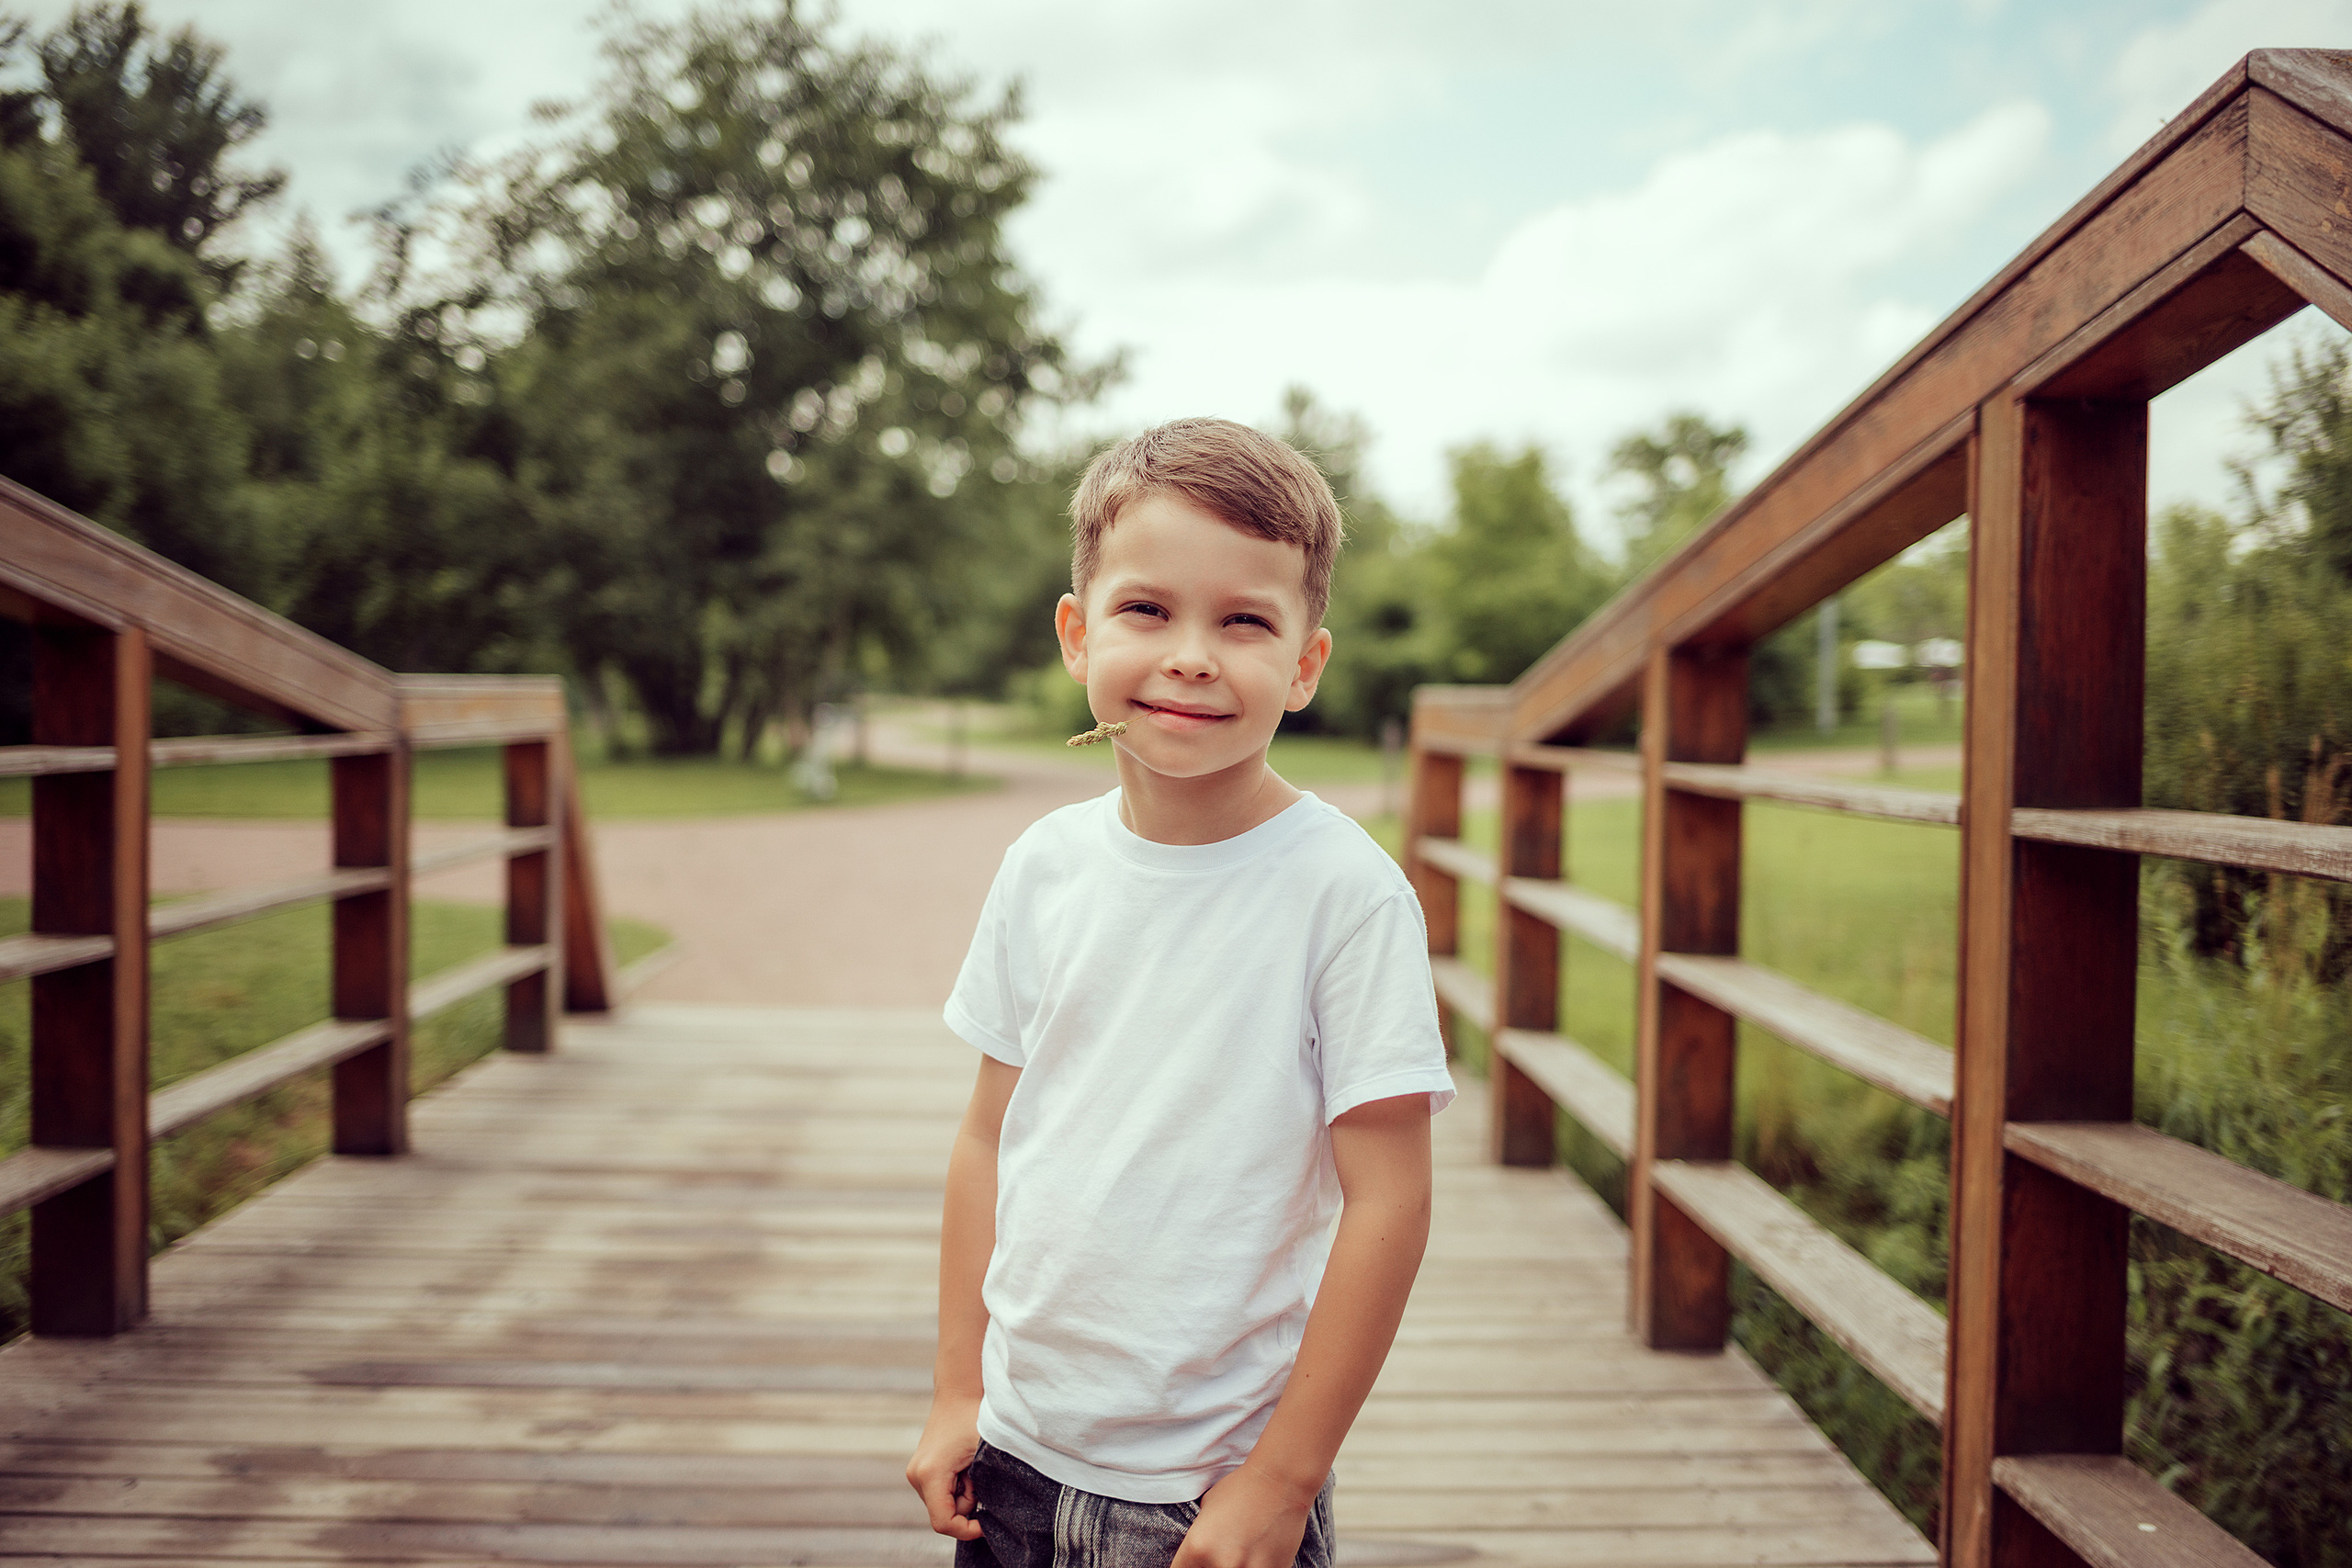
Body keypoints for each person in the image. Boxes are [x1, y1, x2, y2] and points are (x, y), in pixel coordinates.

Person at [905, 418, 1453, 1568]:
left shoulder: (1344, 896)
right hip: (1011, 1454)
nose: (1193, 654)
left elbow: (1390, 1200)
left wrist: (1281, 1482)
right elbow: (984, 1139)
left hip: (1212, 1484)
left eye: (1245, 621)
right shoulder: (1045, 867)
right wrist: (958, 1387)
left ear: (1304, 665)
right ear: (1078, 635)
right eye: (1147, 610)